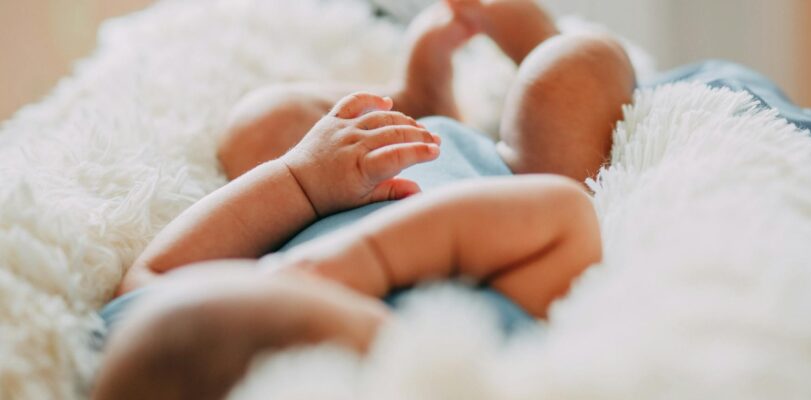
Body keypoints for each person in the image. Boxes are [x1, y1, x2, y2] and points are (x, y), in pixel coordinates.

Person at [92, 0, 637, 398]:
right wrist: (370, 261)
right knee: (575, 69)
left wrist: (300, 181)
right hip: (509, 179)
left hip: (339, 189)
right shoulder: (458, 346)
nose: (320, 277)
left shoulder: (159, 354)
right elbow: (562, 214)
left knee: (262, 124)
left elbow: (149, 278)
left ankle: (413, 105)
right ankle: (537, 46)